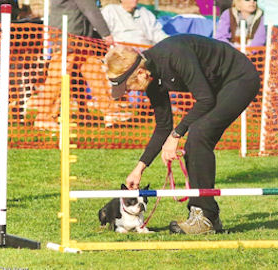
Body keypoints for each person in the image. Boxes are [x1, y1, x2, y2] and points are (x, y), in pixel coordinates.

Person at [103, 34, 260, 234]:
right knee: (196, 135)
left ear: (141, 73)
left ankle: (205, 217)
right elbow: (163, 127)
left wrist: (176, 135)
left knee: (198, 135)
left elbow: (205, 100)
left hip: (239, 78)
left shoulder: (174, 54)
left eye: (128, 87)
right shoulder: (152, 77)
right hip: (216, 86)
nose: (128, 92)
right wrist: (139, 168)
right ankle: (204, 215)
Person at [27, 0, 115, 130]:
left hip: (79, 37)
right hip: (69, 37)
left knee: (95, 71)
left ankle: (111, 112)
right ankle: (44, 117)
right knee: (57, 79)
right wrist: (106, 34)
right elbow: (90, 9)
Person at [101, 0, 168, 45]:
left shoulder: (145, 13)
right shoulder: (110, 11)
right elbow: (102, 33)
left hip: (145, 52)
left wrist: (169, 42)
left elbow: (157, 33)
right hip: (120, 54)